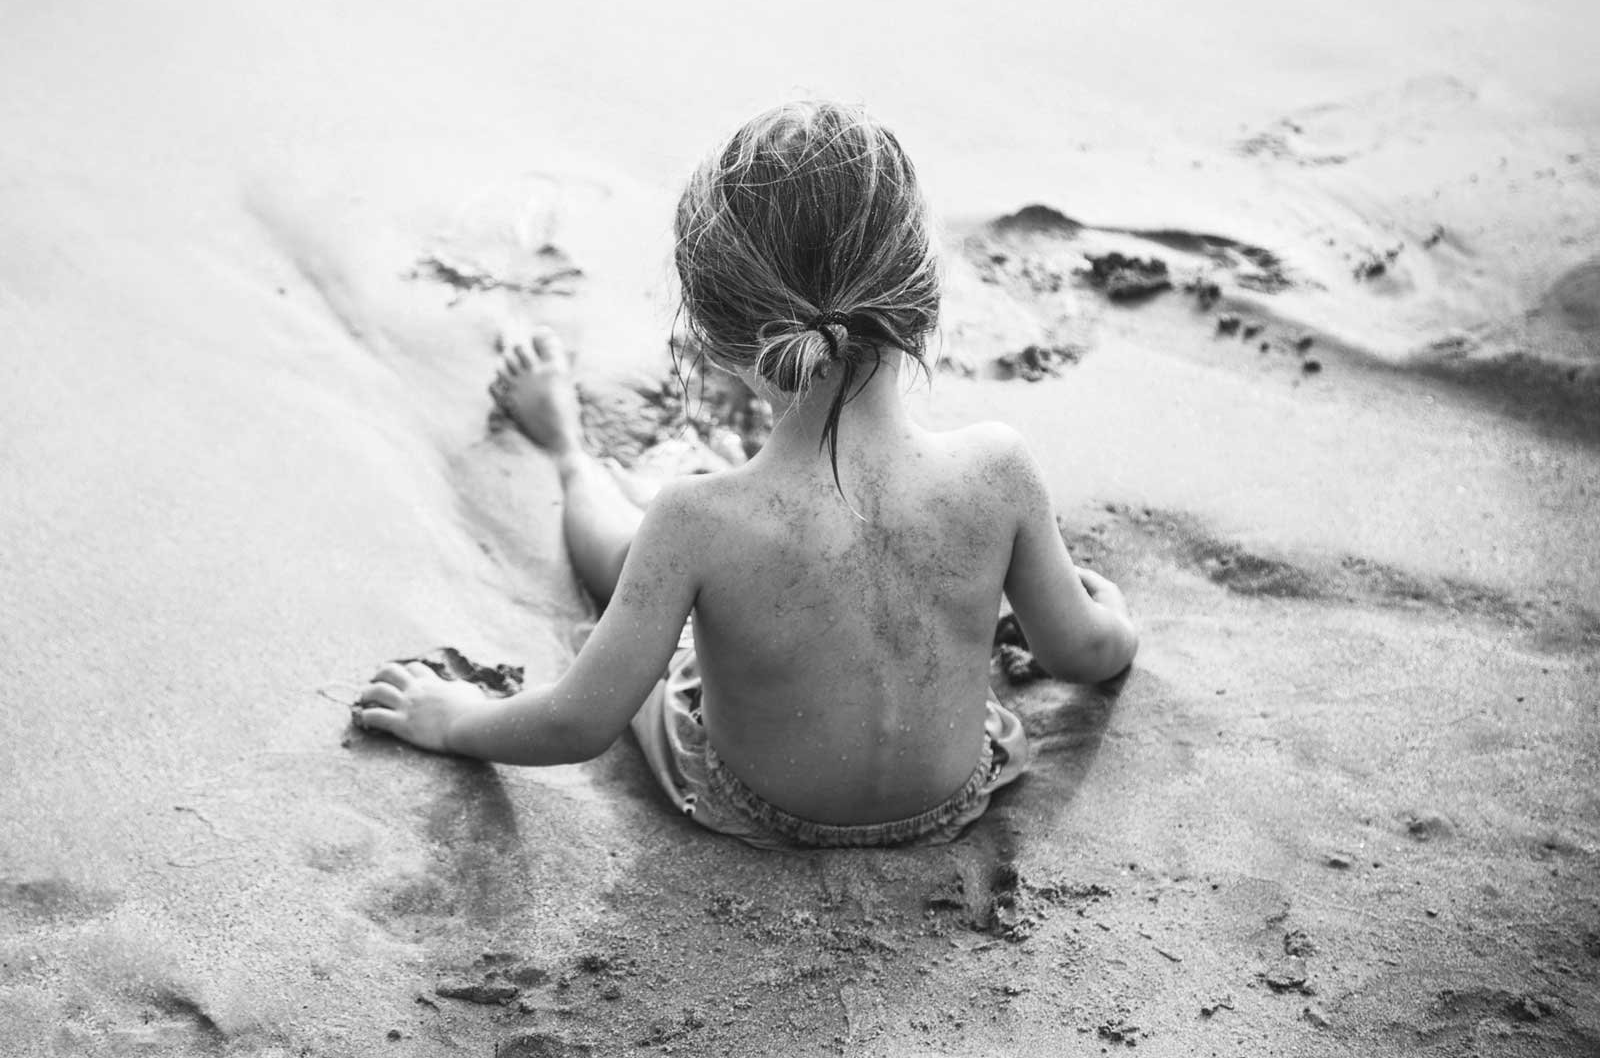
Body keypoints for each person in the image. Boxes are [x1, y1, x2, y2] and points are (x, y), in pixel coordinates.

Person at [356, 101, 1138, 849]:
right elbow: (1086, 656)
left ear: (715, 340)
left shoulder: (695, 520)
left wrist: (452, 719)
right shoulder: (997, 468)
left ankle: (568, 449)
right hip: (955, 795)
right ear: (921, 302)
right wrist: (1108, 616)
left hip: (761, 805)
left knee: (637, 564)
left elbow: (578, 723)